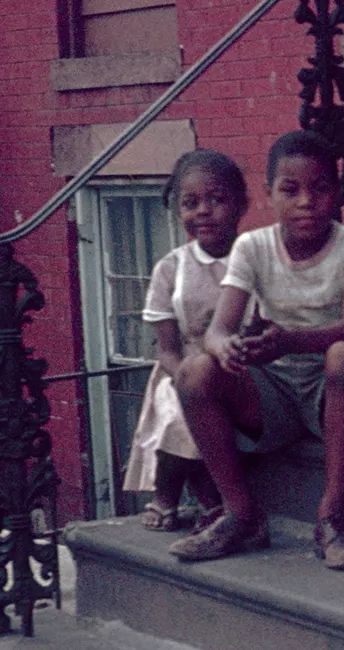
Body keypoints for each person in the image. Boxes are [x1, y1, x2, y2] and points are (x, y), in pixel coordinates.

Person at [169, 131, 344, 571]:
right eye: (290, 189)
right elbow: (217, 331)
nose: (306, 201)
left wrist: (288, 339)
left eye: (320, 188)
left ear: (339, 192)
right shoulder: (253, 245)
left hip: (340, 389)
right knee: (194, 371)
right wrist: (226, 347)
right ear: (269, 195)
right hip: (276, 390)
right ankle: (241, 514)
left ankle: (333, 517)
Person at [122, 149, 247, 531]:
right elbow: (168, 349)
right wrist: (185, 380)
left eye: (216, 200)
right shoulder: (171, 268)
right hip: (181, 367)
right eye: (190, 203)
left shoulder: (254, 255)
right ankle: (168, 492)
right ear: (178, 210)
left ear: (241, 204)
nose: (203, 211)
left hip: (238, 363)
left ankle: (211, 497)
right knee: (181, 408)